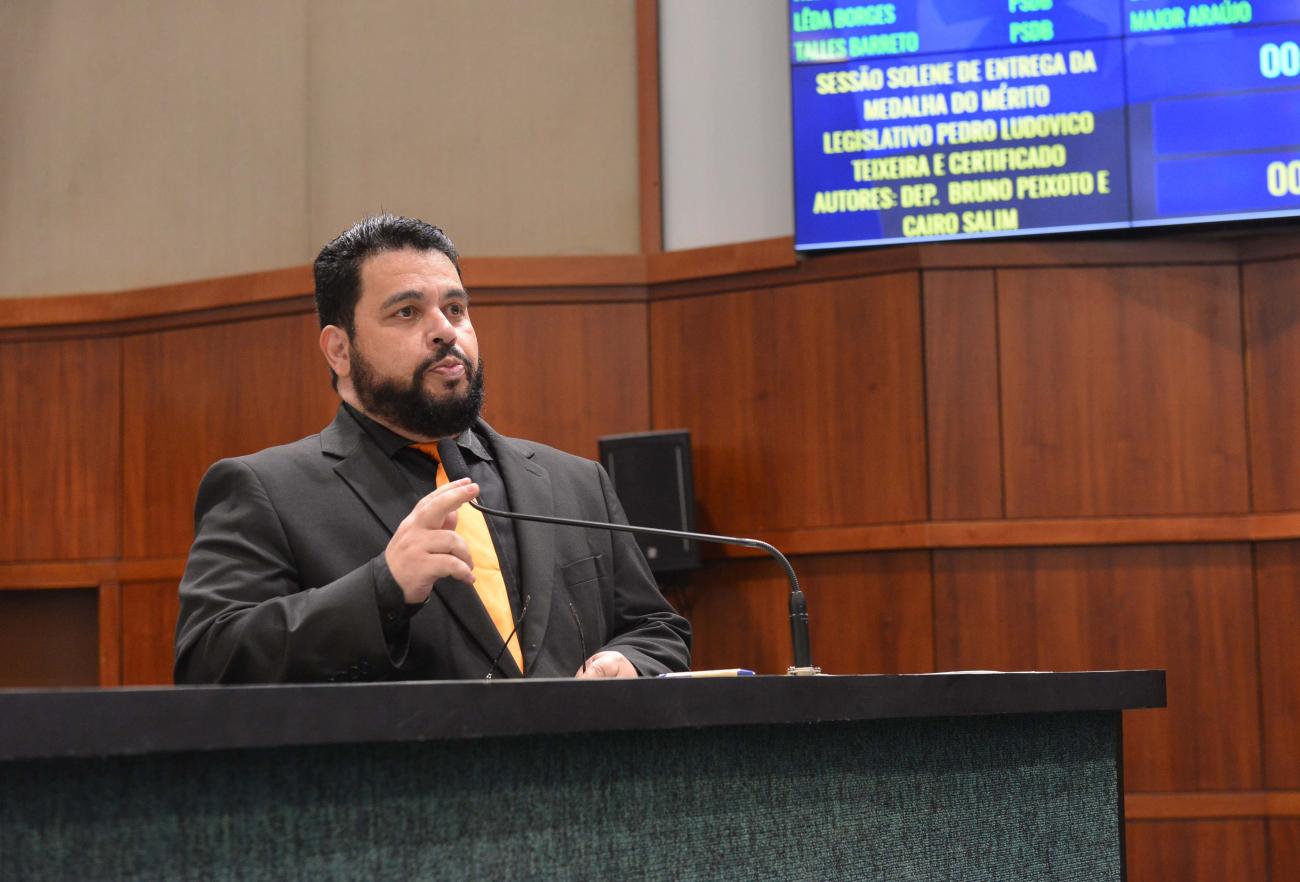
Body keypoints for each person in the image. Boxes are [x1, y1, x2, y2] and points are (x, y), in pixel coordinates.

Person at [174, 215, 691, 683]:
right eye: (407, 312)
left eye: (456, 308)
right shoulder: (266, 490)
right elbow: (209, 661)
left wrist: (627, 661)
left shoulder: (576, 483)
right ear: (340, 349)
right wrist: (383, 588)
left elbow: (655, 629)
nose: (446, 330)